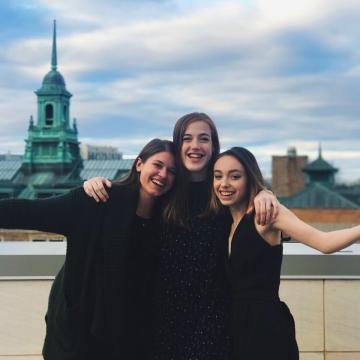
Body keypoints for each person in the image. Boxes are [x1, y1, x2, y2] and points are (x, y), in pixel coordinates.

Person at [83, 112, 279, 360]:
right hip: (161, 318)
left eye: (204, 139)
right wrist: (96, 183)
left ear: (213, 145)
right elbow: (130, 195)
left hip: (213, 320)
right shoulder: (165, 187)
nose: (195, 146)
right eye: (187, 138)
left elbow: (263, 229)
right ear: (178, 144)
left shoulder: (222, 190)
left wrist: (264, 194)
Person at [0, 139, 176, 360]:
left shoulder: (168, 220)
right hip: (82, 336)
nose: (163, 174)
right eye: (157, 165)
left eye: (171, 171)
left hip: (128, 339)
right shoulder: (98, 200)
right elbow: (29, 211)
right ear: (139, 164)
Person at [210, 146, 360, 360]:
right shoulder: (224, 220)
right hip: (235, 327)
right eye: (218, 176)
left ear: (249, 179)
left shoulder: (269, 214)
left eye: (235, 176)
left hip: (266, 328)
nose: (224, 184)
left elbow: (324, 242)